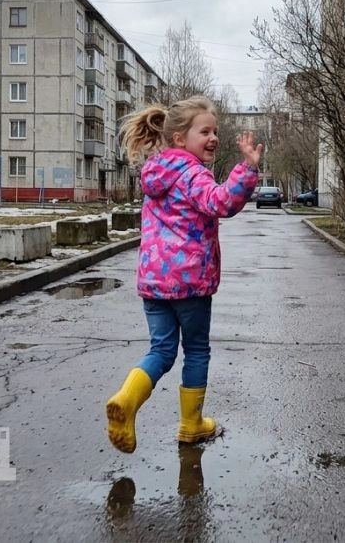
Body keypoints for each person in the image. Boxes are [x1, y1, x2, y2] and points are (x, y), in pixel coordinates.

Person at [104, 96, 262, 454]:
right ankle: (191, 425)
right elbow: (220, 202)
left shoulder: (157, 173)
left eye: (215, 131)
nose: (214, 137)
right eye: (204, 131)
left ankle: (127, 399)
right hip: (190, 282)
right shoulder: (191, 173)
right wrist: (247, 170)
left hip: (154, 283)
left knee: (160, 349)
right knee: (195, 350)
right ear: (179, 138)